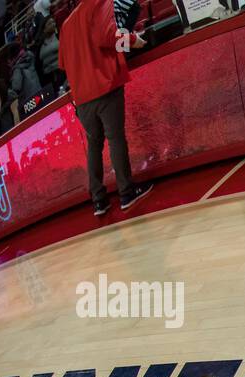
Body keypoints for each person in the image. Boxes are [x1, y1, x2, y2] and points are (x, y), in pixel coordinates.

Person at [60, 0, 153, 216]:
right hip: (105, 86)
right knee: (116, 139)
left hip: (82, 97)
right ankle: (127, 193)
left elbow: (64, 63)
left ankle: (99, 201)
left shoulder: (66, 24)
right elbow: (109, 37)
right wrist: (133, 41)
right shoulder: (98, 3)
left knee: (94, 145)